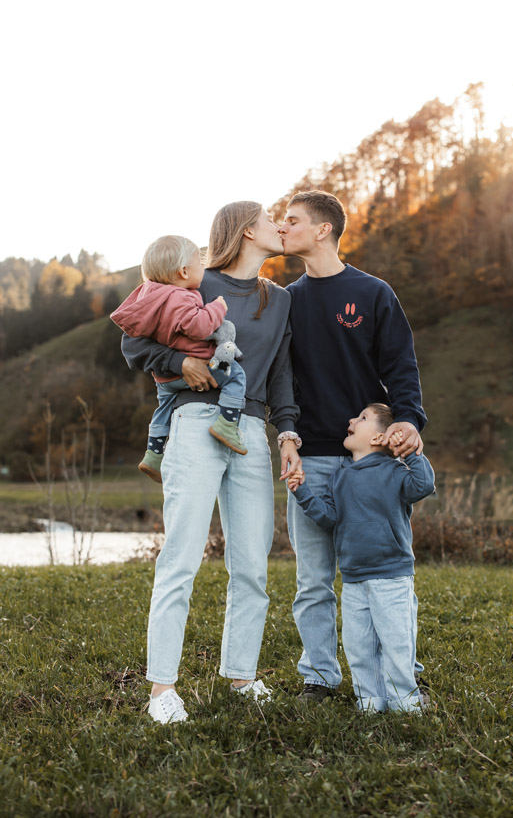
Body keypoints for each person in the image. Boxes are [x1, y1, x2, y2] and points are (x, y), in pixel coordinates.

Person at [121, 202, 301, 723]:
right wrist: (180, 362)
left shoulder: (280, 299)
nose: (280, 226)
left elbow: (282, 371)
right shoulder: (195, 281)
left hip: (250, 430)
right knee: (181, 558)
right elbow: (135, 343)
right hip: (196, 422)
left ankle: (241, 675)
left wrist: (286, 429)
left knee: (252, 563)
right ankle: (162, 691)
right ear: (248, 230)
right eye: (272, 219)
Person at [279, 190, 427, 702]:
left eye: (292, 221)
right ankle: (319, 677)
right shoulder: (286, 301)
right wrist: (286, 436)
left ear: (323, 230)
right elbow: (280, 380)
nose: (282, 228)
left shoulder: (373, 293)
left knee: (388, 572)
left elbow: (401, 367)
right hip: (313, 456)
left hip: (373, 459)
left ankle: (401, 666)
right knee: (314, 581)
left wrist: (409, 420)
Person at [287, 403, 435, 712]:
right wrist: (302, 492)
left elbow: (423, 485)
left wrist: (409, 452)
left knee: (396, 643)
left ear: (380, 438)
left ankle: (404, 702)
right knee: (359, 647)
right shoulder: (340, 479)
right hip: (354, 579)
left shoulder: (395, 472)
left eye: (363, 418)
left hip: (392, 576)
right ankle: (369, 701)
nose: (351, 420)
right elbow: (328, 518)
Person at [110, 234, 248, 483]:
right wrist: (217, 307)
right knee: (236, 374)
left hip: (164, 378)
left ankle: (153, 453)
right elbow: (199, 327)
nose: (203, 269)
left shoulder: (150, 299)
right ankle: (227, 424)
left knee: (163, 407)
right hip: (198, 365)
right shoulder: (181, 296)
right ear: (184, 271)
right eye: (199, 263)